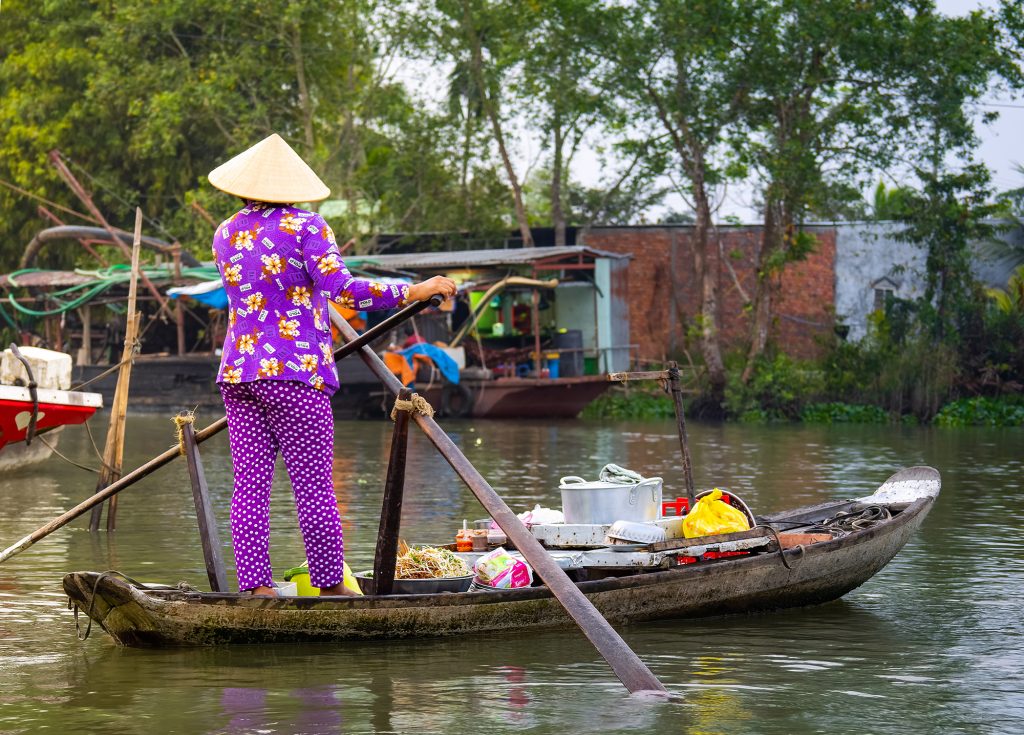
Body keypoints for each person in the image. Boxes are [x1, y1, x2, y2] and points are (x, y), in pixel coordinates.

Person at [208, 133, 456, 596]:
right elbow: (341, 289)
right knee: (314, 486)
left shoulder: (226, 232)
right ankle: (331, 587)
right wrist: (412, 291)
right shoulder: (308, 226)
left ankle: (256, 588)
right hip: (295, 373)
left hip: (239, 374)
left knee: (249, 486)